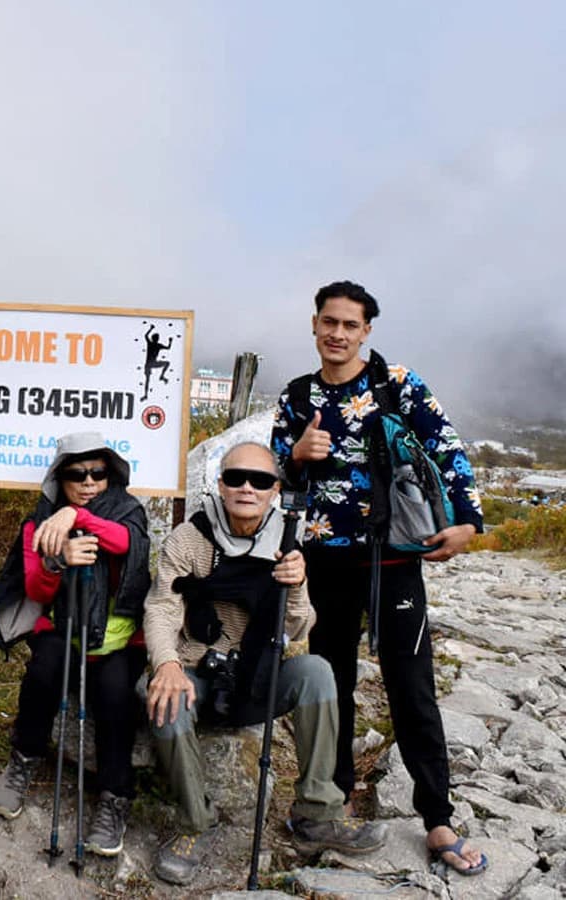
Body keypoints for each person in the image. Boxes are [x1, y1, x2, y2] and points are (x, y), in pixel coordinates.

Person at [272, 281, 487, 877]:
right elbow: (271, 486)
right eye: (328, 322)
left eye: (350, 325)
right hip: (323, 562)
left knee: (411, 684)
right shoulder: (296, 397)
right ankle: (332, 801)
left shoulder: (397, 384)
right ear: (314, 324)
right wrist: (295, 454)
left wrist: (467, 521)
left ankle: (437, 816)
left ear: (366, 331)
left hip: (394, 559)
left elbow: (447, 447)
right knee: (331, 683)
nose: (337, 334)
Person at [144, 442, 386, 886]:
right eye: (235, 478)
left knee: (316, 672)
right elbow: (163, 607)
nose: (247, 488)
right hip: (198, 668)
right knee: (162, 695)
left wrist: (297, 584)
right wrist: (167, 664)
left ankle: (318, 812)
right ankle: (197, 821)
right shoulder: (188, 539)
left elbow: (297, 627)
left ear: (275, 489)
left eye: (261, 480)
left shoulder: (288, 542)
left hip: (258, 675)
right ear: (220, 484)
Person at [0, 432, 150, 857]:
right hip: (65, 632)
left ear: (111, 475)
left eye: (98, 472)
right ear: (60, 478)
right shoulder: (35, 523)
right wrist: (58, 560)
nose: (89, 482)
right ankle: (24, 759)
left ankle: (114, 797)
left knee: (116, 694)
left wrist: (75, 519)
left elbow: (128, 544)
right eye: (77, 474)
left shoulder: (129, 512)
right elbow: (37, 591)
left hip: (118, 642)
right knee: (43, 670)